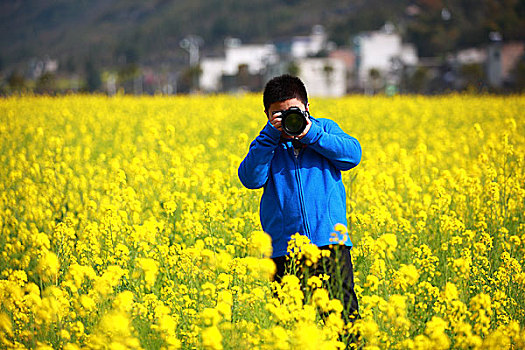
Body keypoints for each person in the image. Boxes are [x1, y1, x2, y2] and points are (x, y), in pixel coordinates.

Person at [238, 74, 362, 324]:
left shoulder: (324, 129)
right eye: (279, 115)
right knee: (289, 327)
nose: (288, 120)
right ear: (267, 115)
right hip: (285, 250)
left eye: (293, 111)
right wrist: (270, 137)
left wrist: (310, 134)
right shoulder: (266, 144)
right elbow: (251, 178)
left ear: (307, 108)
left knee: (344, 321)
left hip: (330, 243)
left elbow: (352, 155)